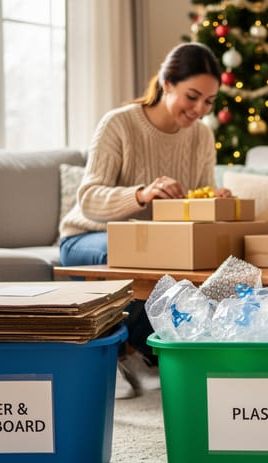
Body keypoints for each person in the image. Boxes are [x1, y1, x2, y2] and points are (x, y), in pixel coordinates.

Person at [58, 42, 229, 399]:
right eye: (192, 96)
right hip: (88, 237)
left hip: (157, 245)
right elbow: (87, 198)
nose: (199, 110)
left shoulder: (201, 135)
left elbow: (196, 200)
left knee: (196, 260)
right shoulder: (119, 124)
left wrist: (213, 200)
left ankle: (140, 353)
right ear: (167, 83)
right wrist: (140, 194)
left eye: (209, 102)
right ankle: (113, 356)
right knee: (139, 257)